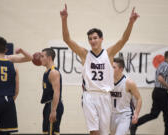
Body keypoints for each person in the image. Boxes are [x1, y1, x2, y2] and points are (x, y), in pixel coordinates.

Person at [60, 4, 139, 135]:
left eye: (95, 38)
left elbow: (123, 39)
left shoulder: (108, 54)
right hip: (89, 96)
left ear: (101, 39)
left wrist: (131, 22)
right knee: (94, 131)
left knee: (104, 132)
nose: (92, 40)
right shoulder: (85, 54)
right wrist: (64, 19)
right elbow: (67, 39)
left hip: (105, 96)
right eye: (90, 39)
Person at [130, 50, 168, 135]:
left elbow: (161, 79)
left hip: (157, 92)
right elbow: (160, 78)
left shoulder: (161, 65)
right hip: (162, 93)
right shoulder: (166, 66)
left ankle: (135, 124)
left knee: (154, 114)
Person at [110, 58, 142, 135]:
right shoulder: (107, 81)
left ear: (121, 69)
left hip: (125, 115)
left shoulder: (129, 82)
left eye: (114, 67)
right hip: (111, 114)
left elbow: (139, 98)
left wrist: (136, 114)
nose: (111, 69)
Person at [0, 36, 19, 135]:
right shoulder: (13, 65)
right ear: (5, 49)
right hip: (9, 101)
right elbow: (17, 90)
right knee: (5, 132)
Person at [40, 48, 64, 135]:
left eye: (42, 56)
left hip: (53, 106)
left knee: (52, 133)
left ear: (49, 58)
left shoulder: (53, 72)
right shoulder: (47, 72)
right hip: (48, 105)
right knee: (46, 132)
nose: (40, 58)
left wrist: (53, 111)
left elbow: (56, 93)